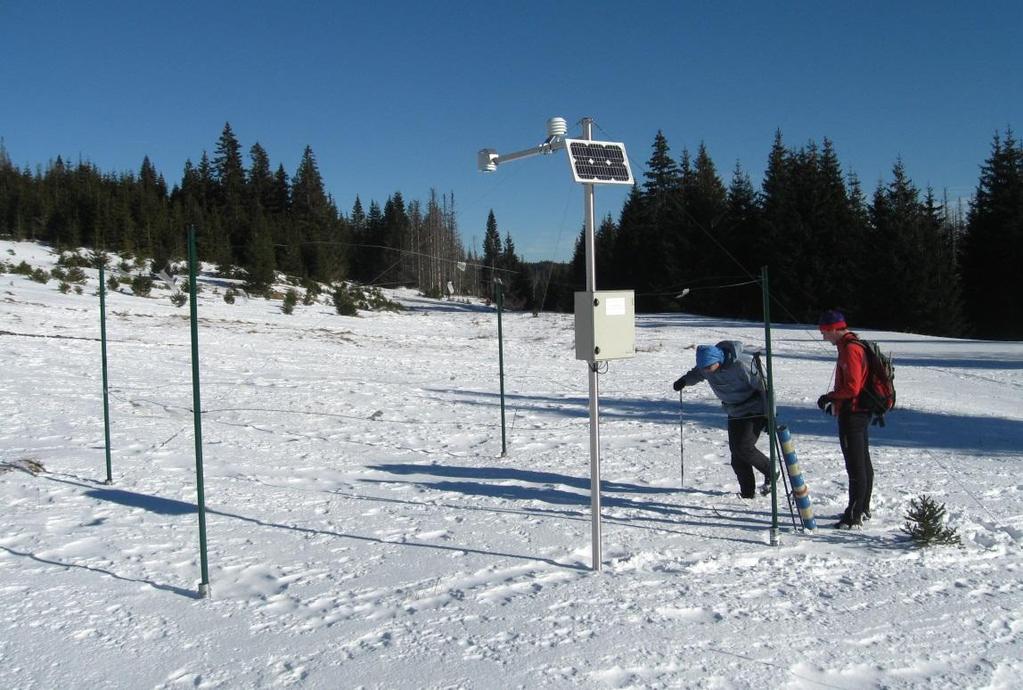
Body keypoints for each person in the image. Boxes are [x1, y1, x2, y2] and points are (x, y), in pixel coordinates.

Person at [673, 341, 776, 499]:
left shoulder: (741, 364)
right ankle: (747, 493)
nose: (707, 371)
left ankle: (771, 471)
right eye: (704, 368)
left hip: (754, 408)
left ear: (718, 360)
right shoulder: (706, 368)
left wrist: (770, 415)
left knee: (744, 447)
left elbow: (765, 388)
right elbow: (696, 374)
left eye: (709, 367)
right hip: (733, 409)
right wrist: (684, 381)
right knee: (737, 455)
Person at [817, 310, 874, 529]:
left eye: (824, 332)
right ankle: (862, 508)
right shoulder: (851, 346)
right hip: (858, 411)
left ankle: (854, 514)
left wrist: (830, 397)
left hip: (853, 412)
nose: (823, 337)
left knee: (855, 464)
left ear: (833, 329)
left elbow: (852, 387)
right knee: (862, 460)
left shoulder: (850, 350)